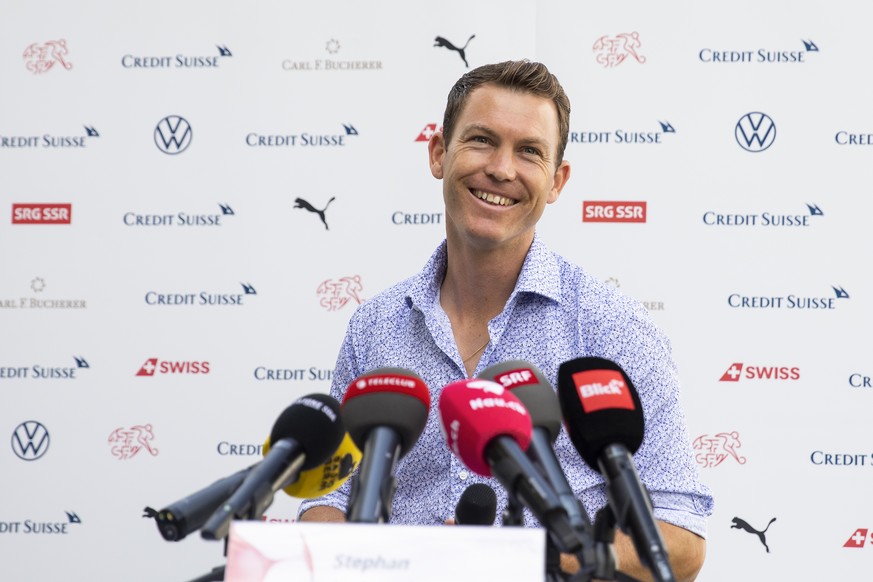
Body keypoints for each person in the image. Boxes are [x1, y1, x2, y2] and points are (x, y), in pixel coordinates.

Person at [298, 59, 714, 581]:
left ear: (557, 181)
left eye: (530, 152)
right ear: (437, 153)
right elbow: (332, 492)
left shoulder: (614, 330)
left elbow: (679, 542)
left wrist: (516, 557)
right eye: (481, 140)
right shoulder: (375, 325)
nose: (501, 168)